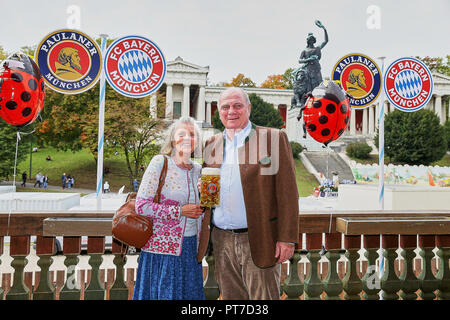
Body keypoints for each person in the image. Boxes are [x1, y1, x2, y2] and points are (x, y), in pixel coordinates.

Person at [200, 87, 299, 300]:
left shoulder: (273, 138)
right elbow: (209, 193)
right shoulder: (212, 143)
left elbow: (288, 193)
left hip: (260, 238)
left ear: (249, 108)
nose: (231, 111)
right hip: (221, 239)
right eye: (225, 107)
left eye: (237, 105)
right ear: (219, 111)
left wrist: (287, 239)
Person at [133, 116, 205, 300]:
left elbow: (202, 211)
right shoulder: (160, 163)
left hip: (191, 249)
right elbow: (141, 206)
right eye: (182, 133)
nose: (187, 138)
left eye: (192, 134)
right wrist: (179, 211)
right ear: (172, 139)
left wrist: (206, 197)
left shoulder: (199, 169)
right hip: (162, 251)